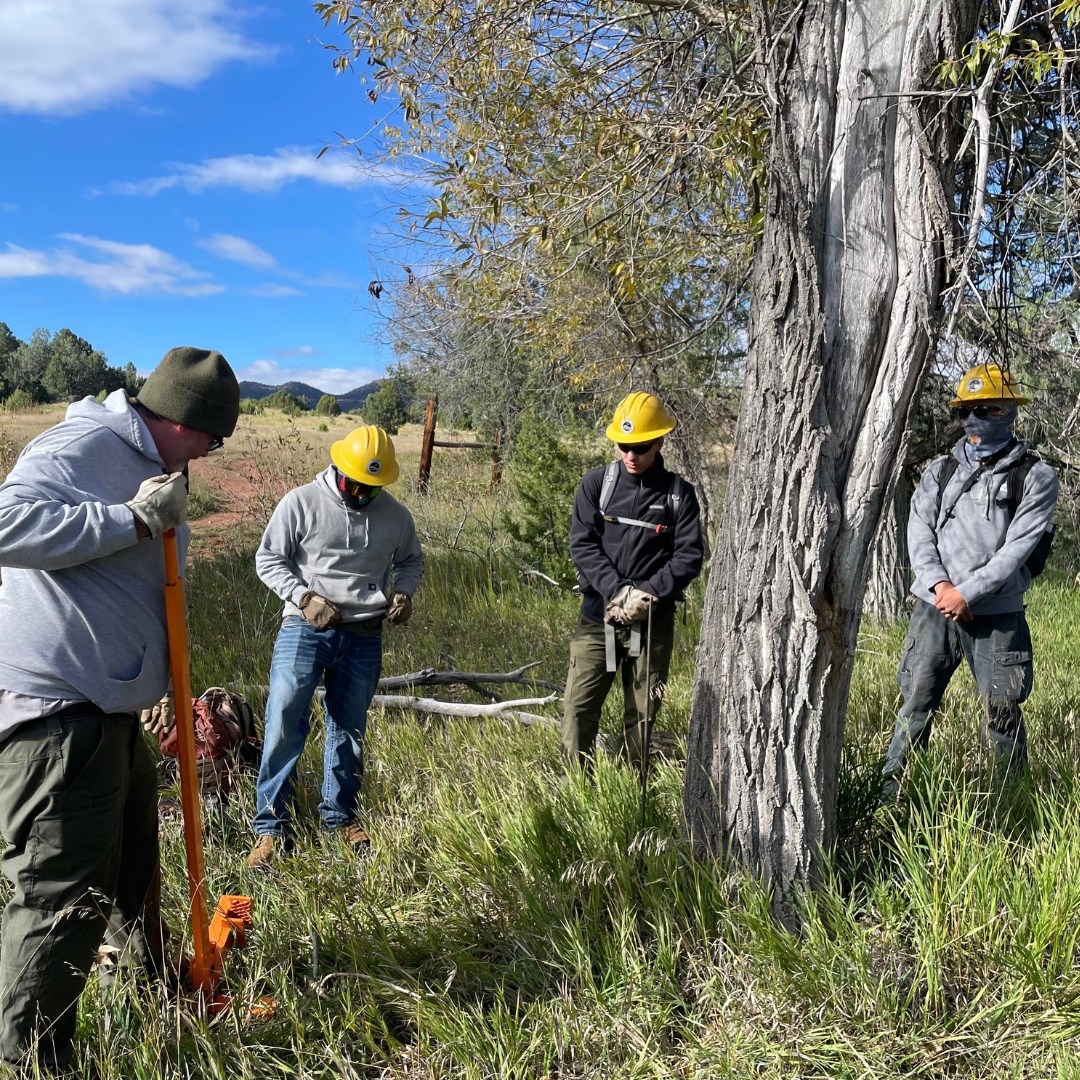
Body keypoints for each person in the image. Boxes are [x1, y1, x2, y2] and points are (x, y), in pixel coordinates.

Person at [0, 346, 240, 1070]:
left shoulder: (151, 468)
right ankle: (31, 1059)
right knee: (60, 897)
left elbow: (141, 585)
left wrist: (167, 683)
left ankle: (161, 991)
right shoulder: (84, 445)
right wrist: (128, 521)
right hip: (57, 714)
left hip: (108, 713)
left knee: (137, 869)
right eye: (211, 435)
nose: (209, 452)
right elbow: (6, 526)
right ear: (179, 418)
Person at [246, 425, 424, 867]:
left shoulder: (396, 516)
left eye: (373, 487)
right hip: (305, 628)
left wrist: (403, 591)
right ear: (338, 467)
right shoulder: (301, 502)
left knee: (349, 729)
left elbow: (412, 559)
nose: (363, 493)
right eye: (355, 483)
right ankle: (271, 828)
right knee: (285, 719)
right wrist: (304, 598)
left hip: (364, 634)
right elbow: (268, 559)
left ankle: (340, 817)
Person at [881, 362, 1059, 799]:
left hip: (998, 615)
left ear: (1012, 410)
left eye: (991, 408)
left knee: (1002, 713)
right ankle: (888, 799)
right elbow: (918, 531)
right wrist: (942, 588)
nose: (978, 419)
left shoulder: (1036, 476)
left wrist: (968, 592)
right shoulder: (938, 470)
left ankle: (1011, 805)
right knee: (915, 707)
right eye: (970, 409)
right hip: (933, 610)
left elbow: (1017, 548)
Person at [562, 391, 705, 770]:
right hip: (598, 619)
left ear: (660, 441)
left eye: (640, 446)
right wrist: (618, 591)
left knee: (640, 720)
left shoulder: (679, 495)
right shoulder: (597, 484)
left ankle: (632, 787)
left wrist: (648, 594)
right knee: (578, 712)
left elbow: (689, 556)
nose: (631, 455)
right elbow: (583, 545)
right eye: (624, 445)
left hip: (652, 623)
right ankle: (579, 791)